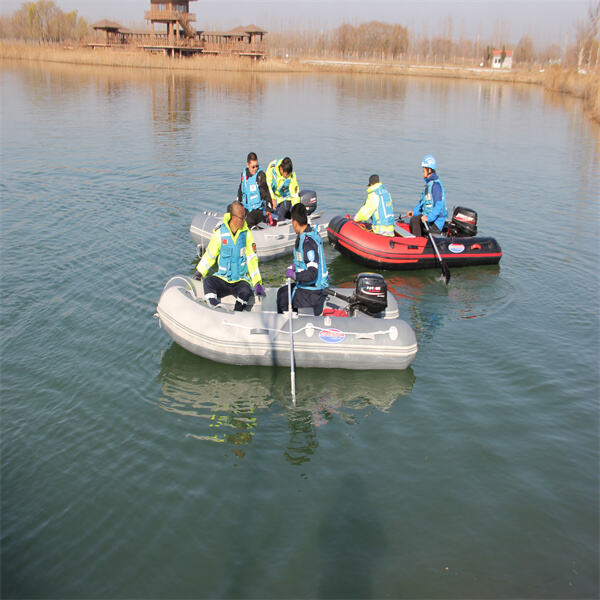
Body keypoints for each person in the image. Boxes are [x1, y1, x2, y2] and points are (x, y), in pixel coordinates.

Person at [193, 201, 265, 311]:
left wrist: (257, 283)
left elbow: (252, 259)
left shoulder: (247, 234)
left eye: (244, 216)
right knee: (208, 282)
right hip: (223, 278)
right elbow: (210, 255)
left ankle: (237, 312)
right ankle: (215, 307)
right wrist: (199, 272)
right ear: (233, 217)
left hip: (240, 280)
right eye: (242, 217)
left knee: (245, 291)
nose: (244, 220)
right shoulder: (220, 233)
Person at [277, 203, 329, 316]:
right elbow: (304, 261)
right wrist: (295, 266)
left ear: (295, 222)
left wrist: (295, 275)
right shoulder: (305, 236)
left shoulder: (307, 243)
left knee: (283, 299)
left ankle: (288, 326)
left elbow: (312, 273)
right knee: (282, 292)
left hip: (312, 291)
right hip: (307, 286)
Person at [406, 155, 448, 237]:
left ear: (429, 170)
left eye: (424, 170)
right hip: (428, 218)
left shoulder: (436, 186)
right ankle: (417, 240)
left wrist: (428, 218)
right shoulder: (428, 185)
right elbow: (423, 203)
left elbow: (438, 207)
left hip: (436, 222)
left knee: (415, 221)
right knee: (414, 220)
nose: (423, 172)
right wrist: (414, 212)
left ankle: (417, 244)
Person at [236, 152, 271, 228]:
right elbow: (240, 190)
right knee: (231, 210)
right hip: (246, 207)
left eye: (257, 166)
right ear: (247, 165)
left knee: (249, 220)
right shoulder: (244, 175)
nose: (255, 169)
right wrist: (237, 205)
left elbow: (267, 194)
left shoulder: (260, 176)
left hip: (257, 210)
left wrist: (268, 209)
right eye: (253, 167)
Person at [265, 156, 300, 222]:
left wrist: (297, 209)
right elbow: (268, 184)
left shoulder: (291, 176)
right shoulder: (272, 167)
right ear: (281, 169)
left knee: (281, 215)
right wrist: (272, 199)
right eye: (286, 174)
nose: (287, 176)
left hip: (285, 198)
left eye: (289, 174)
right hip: (274, 196)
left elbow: (294, 195)